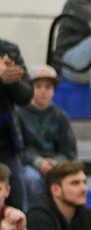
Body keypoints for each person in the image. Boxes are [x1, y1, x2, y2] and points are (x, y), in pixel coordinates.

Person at [17, 66, 77, 207]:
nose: (43, 91)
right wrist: (38, 162)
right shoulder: (19, 115)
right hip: (29, 164)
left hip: (56, 164)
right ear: (30, 88)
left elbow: (70, 151)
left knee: (71, 179)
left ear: (53, 91)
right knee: (31, 179)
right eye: (38, 86)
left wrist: (54, 163)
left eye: (48, 87)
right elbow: (18, 149)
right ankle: (32, 219)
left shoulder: (60, 116)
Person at [0, 39, 32, 212]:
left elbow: (26, 95)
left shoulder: (8, 49)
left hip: (7, 147)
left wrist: (13, 80)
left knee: (18, 209)